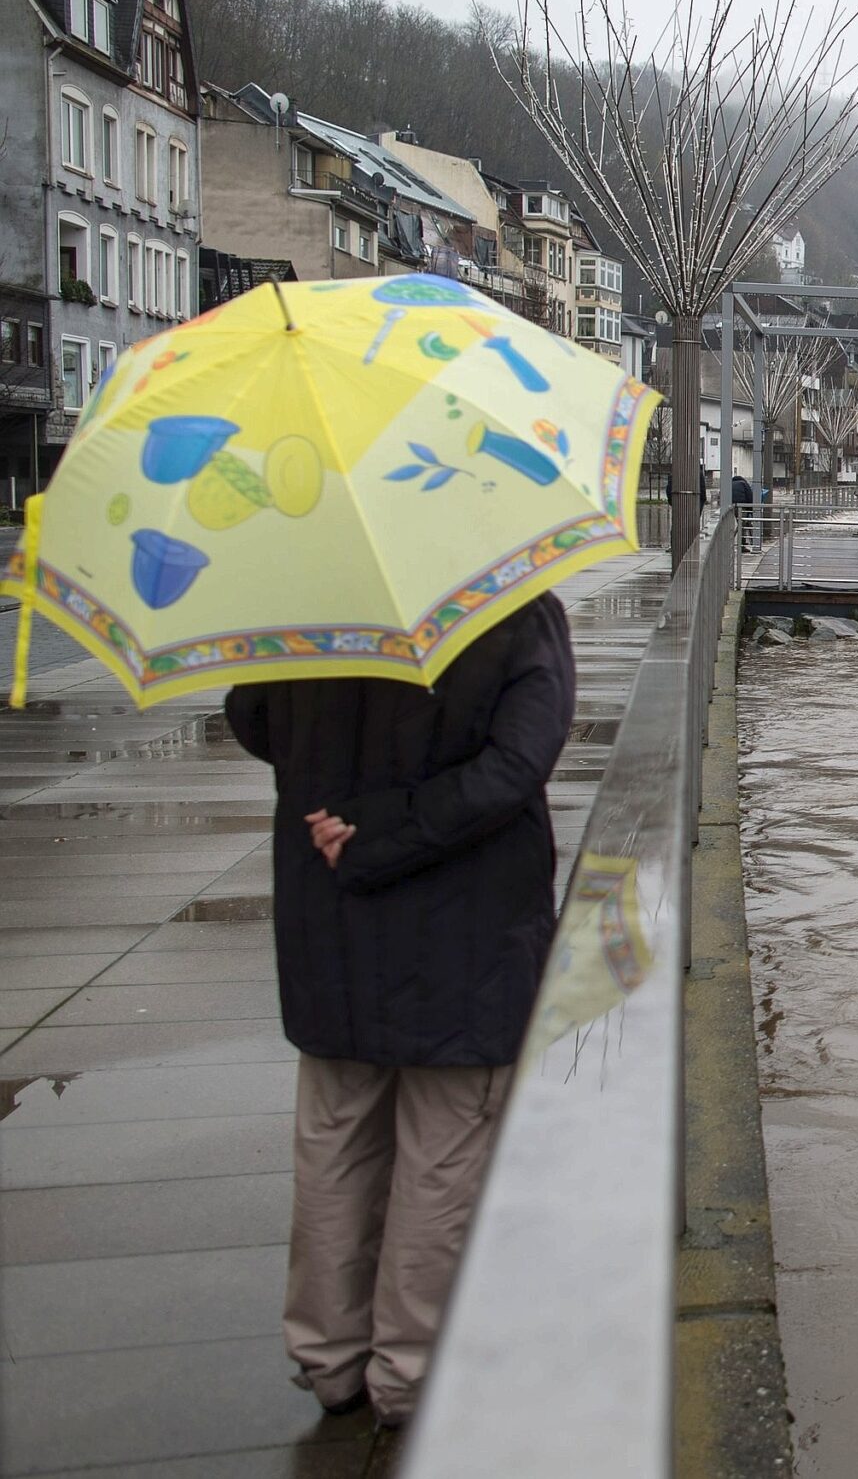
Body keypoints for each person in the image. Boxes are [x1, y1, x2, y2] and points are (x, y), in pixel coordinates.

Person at [225, 596, 576, 1430]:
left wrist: (342, 788)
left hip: (330, 915)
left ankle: (330, 1360)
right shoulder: (513, 608)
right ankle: (412, 1374)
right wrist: (388, 824)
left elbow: (251, 718)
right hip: (465, 928)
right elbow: (517, 764)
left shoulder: (307, 596)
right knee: (443, 1154)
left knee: (335, 1137)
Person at [729, 471, 756, 552]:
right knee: (742, 525)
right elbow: (749, 496)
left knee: (736, 524)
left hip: (731, 507)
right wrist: (751, 510)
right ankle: (741, 545)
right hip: (742, 506)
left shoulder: (730, 484)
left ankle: (730, 541)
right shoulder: (744, 484)